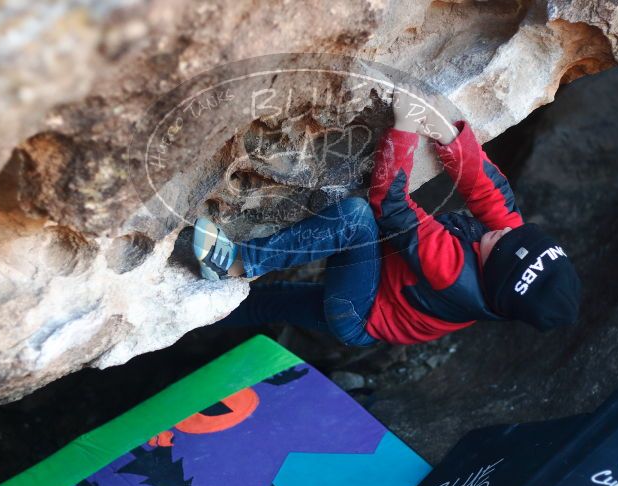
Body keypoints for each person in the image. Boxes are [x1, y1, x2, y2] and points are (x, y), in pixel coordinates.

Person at [192, 90, 581, 347]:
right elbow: (488, 189)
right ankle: (194, 320)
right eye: (519, 235)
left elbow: (391, 208)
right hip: (381, 291)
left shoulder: (453, 273)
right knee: (270, 303)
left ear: (492, 278)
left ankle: (236, 263)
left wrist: (405, 129)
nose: (505, 233)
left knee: (355, 219)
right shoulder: (508, 241)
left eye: (504, 246)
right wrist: (448, 136)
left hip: (360, 313)